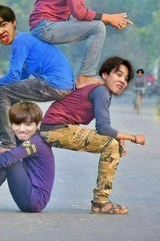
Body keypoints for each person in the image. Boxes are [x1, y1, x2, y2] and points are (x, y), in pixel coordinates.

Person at [39, 56, 145, 215]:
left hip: (56, 128)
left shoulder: (101, 90)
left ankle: (100, 201)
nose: (123, 81)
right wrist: (134, 137)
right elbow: (103, 128)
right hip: (56, 129)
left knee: (113, 144)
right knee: (111, 144)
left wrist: (117, 137)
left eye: (126, 78)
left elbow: (104, 129)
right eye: (118, 74)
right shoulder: (101, 90)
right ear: (105, 75)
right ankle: (101, 202)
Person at [0, 5, 74, 152]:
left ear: (13, 22)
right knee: (11, 93)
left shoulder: (20, 42)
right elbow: (22, 75)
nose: (0, 32)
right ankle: (17, 142)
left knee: (2, 92)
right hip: (60, 85)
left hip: (54, 83)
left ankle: (7, 144)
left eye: (3, 25)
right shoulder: (26, 40)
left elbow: (13, 76)